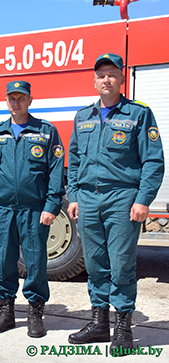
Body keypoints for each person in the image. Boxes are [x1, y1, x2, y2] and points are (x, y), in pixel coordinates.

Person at [67, 53, 164, 351]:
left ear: (122, 78)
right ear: (94, 81)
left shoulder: (138, 113)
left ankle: (124, 327)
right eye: (101, 75)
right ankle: (99, 323)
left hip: (122, 199)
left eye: (111, 74)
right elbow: (73, 159)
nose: (106, 79)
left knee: (121, 263)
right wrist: (74, 195)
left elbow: (153, 161)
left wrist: (143, 199)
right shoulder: (83, 116)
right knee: (95, 263)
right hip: (87, 198)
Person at [0, 81, 65, 338]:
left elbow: (56, 171)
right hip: (4, 210)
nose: (16, 102)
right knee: (5, 262)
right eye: (12, 98)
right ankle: (6, 312)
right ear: (6, 101)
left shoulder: (46, 131)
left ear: (30, 100)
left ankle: (35, 314)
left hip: (34, 210)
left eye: (21, 98)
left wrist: (52, 206)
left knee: (35, 263)